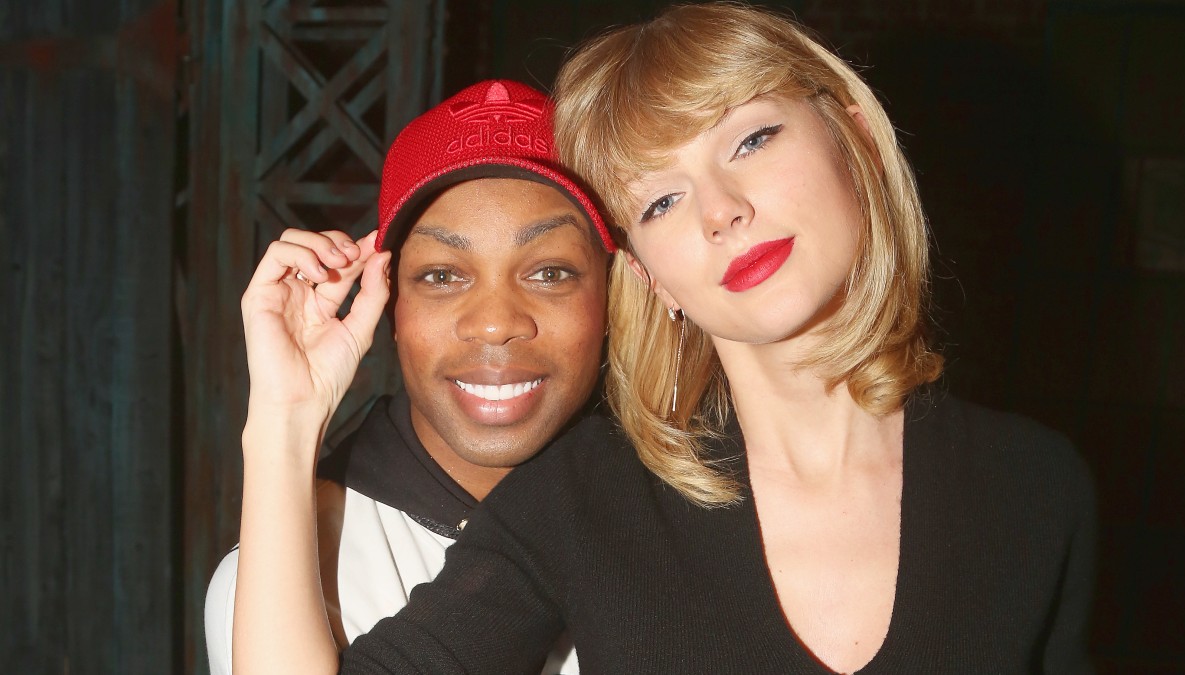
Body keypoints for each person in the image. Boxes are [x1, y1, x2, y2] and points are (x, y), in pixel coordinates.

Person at [242, 4, 1098, 673]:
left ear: (858, 141)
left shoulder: (1036, 487)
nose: (722, 208)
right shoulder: (586, 496)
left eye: (752, 138)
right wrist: (283, 418)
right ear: (648, 275)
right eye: (659, 201)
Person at [212, 79, 614, 675]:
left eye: (550, 272)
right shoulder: (297, 582)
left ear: (613, 298)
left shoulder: (678, 509)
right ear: (389, 302)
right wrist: (285, 414)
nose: (495, 324)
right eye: (443, 276)